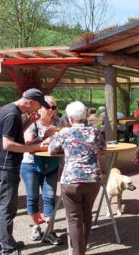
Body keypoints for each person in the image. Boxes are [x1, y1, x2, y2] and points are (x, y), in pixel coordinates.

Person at [0, 88, 50, 255]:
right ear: (30, 101)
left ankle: (3, 243)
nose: (39, 109)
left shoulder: (11, 110)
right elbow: (8, 144)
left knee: (2, 208)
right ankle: (7, 249)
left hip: (0, 164)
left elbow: (13, 134)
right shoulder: (12, 114)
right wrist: (35, 147)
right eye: (39, 105)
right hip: (5, 166)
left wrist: (29, 121)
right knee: (6, 210)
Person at [49, 101, 104, 255]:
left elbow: (52, 150)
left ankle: (77, 253)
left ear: (70, 118)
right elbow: (102, 147)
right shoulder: (94, 131)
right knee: (87, 216)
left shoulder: (64, 132)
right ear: (85, 115)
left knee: (74, 220)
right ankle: (82, 251)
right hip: (92, 179)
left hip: (71, 181)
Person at [20, 96, 62, 245]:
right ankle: (36, 226)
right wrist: (44, 137)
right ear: (40, 107)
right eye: (47, 106)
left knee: (50, 198)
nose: (51, 110)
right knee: (32, 198)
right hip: (30, 165)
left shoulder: (59, 122)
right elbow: (28, 144)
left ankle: (49, 232)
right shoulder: (33, 122)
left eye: (54, 107)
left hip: (51, 164)